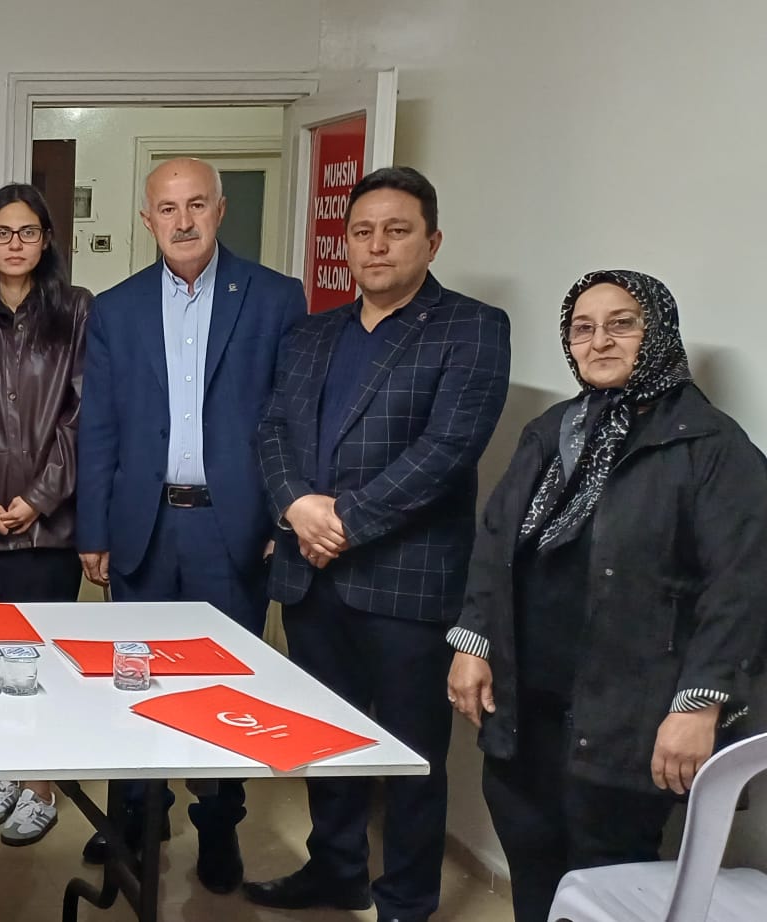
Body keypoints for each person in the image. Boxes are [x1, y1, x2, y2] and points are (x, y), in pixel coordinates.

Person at [447, 269, 767, 922]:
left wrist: (700, 704)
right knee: (532, 855)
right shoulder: (556, 430)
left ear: (660, 332)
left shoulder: (713, 447)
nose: (599, 342)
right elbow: (497, 541)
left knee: (607, 876)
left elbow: (742, 588)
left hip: (630, 718)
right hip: (526, 708)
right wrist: (473, 642)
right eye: (582, 328)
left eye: (622, 324)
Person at [246, 166, 510, 922]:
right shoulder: (312, 332)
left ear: (432, 241)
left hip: (406, 581)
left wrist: (341, 522)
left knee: (410, 752)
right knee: (323, 736)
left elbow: (448, 450)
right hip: (312, 578)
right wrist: (296, 506)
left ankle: (406, 899)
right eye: (362, 232)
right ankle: (335, 871)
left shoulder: (472, 327)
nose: (377, 246)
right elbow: (272, 428)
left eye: (396, 231)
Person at [74, 159, 306, 888]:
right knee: (136, 680)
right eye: (168, 209)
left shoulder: (275, 298)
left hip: (231, 527)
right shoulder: (116, 308)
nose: (183, 221)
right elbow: (99, 427)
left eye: (196, 205)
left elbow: (292, 418)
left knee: (223, 687)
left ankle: (218, 823)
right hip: (142, 525)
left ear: (220, 210)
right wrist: (93, 529)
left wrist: (280, 516)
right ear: (147, 219)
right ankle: (137, 817)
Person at [0, 183, 88, 848]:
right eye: (1, 232)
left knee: (42, 660)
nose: (14, 244)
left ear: (46, 240)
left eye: (27, 232)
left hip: (49, 525)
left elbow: (83, 414)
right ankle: (5, 768)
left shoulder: (77, 310)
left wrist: (38, 497)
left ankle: (41, 785)